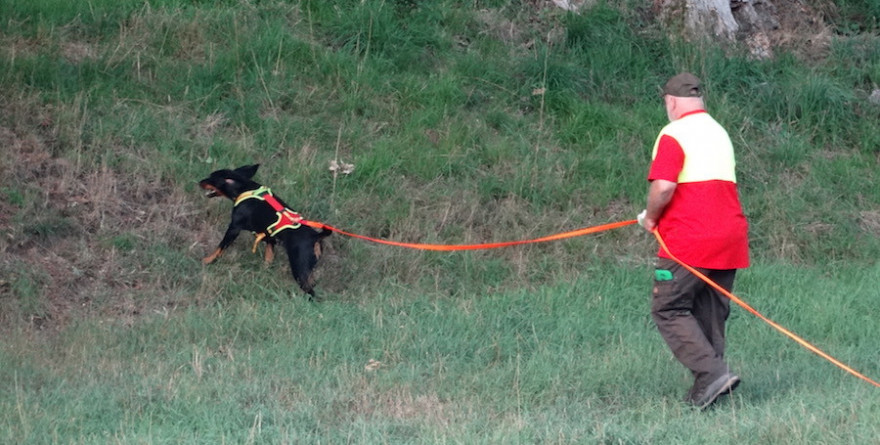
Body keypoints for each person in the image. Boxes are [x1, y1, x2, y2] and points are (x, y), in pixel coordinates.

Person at [637, 72, 750, 409]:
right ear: (700, 100)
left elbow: (665, 186)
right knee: (710, 312)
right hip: (730, 236)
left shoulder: (674, 132)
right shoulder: (719, 132)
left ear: (670, 102)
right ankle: (712, 387)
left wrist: (651, 217)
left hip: (689, 238)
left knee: (669, 308)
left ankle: (712, 373)